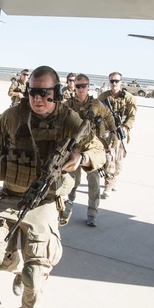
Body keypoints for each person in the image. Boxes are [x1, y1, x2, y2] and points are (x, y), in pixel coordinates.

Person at [0, 66, 105, 308]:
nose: (37, 98)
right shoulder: (12, 116)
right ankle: (18, 269)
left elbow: (99, 151)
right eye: (33, 92)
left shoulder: (69, 120)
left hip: (45, 202)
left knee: (36, 273)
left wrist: (81, 157)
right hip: (11, 196)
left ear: (56, 93)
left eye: (44, 93)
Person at [64, 74, 115, 227]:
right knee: (72, 182)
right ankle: (66, 209)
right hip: (73, 148)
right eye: (78, 86)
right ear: (74, 87)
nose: (81, 89)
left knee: (94, 183)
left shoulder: (96, 104)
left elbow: (109, 117)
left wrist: (112, 136)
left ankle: (92, 214)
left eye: (84, 86)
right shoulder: (67, 105)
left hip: (92, 149)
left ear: (88, 86)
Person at [100, 72, 137, 198]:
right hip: (107, 132)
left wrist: (125, 127)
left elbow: (132, 115)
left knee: (119, 161)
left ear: (121, 82)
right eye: (112, 81)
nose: (114, 83)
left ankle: (114, 179)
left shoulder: (129, 98)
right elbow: (97, 113)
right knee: (108, 158)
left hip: (121, 132)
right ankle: (108, 184)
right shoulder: (103, 97)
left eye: (116, 81)